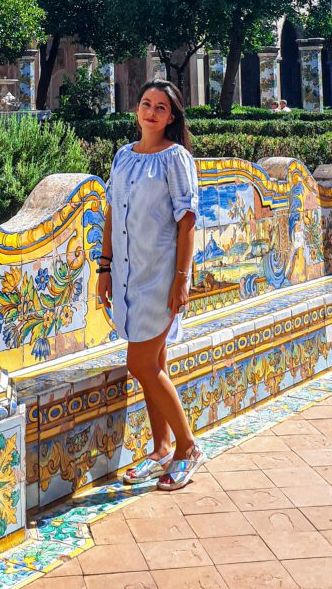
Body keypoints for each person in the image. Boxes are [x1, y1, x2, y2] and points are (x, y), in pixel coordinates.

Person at [97, 79, 205, 491]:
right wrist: (104, 268)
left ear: (172, 116)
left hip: (161, 276)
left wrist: (181, 280)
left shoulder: (176, 158)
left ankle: (188, 447)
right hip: (127, 275)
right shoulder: (124, 157)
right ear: (136, 109)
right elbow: (111, 212)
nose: (151, 112)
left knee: (140, 364)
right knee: (153, 366)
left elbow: (187, 221)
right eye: (146, 103)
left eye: (161, 107)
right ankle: (161, 449)